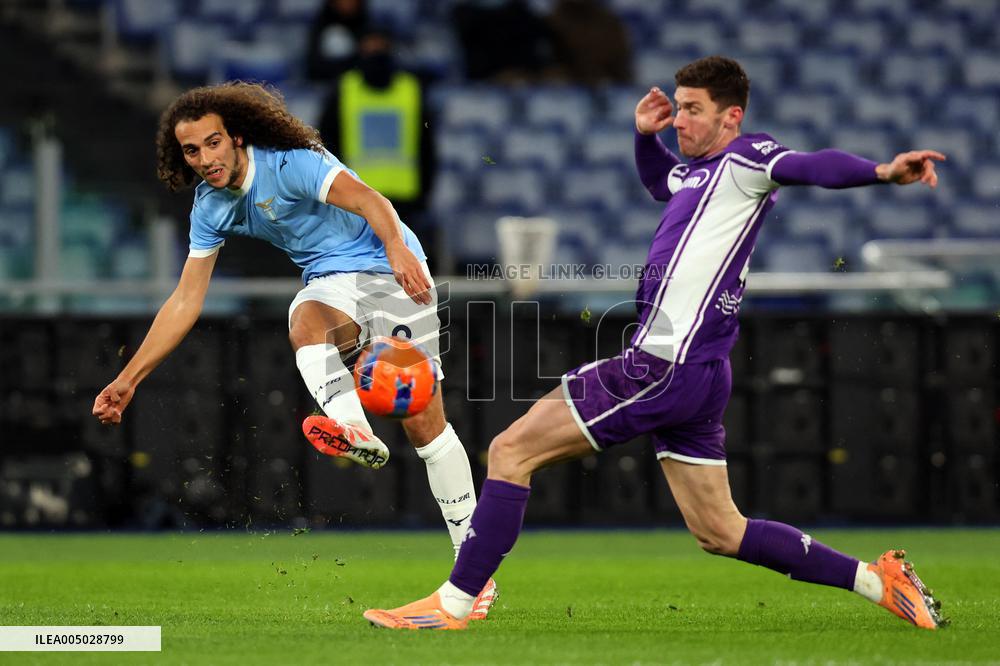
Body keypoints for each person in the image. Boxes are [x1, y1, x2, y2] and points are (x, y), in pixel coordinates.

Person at [363, 56, 947, 631]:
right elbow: (656, 181)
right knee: (722, 531)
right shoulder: (697, 175)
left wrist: (881, 172)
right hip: (699, 374)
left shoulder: (747, 158)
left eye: (693, 110)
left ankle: (455, 604)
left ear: (732, 117)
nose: (682, 120)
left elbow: (811, 165)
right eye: (680, 109)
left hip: (662, 365)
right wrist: (644, 136)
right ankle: (879, 581)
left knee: (512, 452)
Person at [90, 82, 496, 619]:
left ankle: (475, 574)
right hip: (329, 281)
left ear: (235, 137)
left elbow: (370, 199)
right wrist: (131, 378)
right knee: (304, 320)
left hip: (391, 269)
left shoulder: (289, 163)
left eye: (213, 143)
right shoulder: (210, 206)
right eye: (192, 150)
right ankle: (357, 431)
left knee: (426, 427)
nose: (205, 159)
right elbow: (186, 300)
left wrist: (398, 249)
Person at [318, 29, 437, 258]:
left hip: (369, 198)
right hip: (368, 199)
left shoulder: (345, 88)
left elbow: (325, 143)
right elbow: (428, 146)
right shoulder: (410, 88)